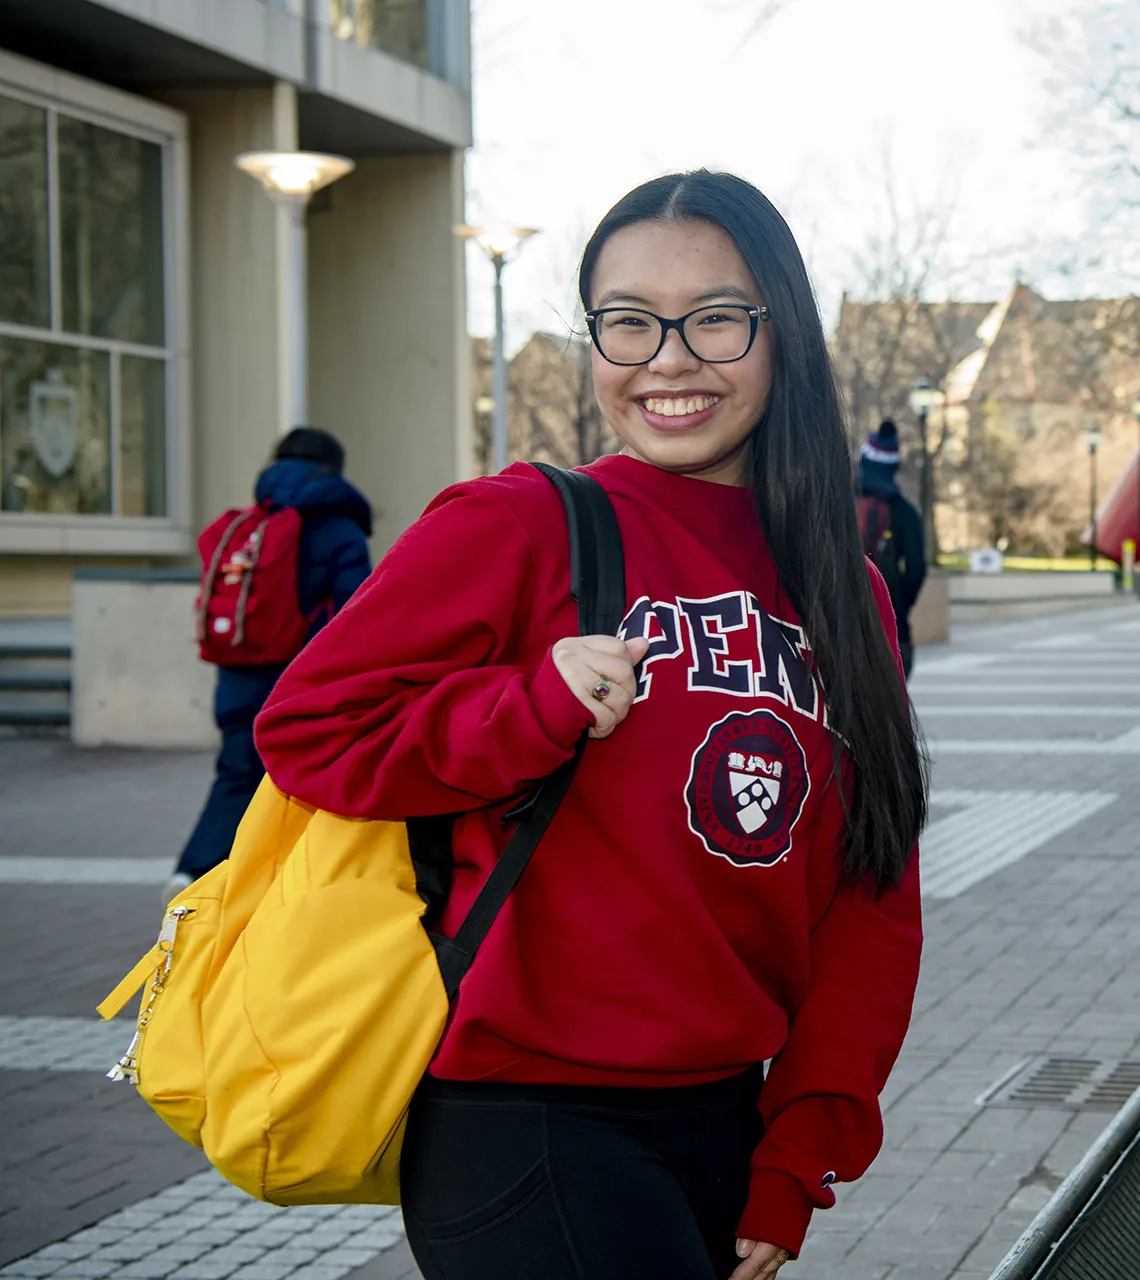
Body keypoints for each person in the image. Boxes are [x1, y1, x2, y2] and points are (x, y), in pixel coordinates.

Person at [254, 171, 926, 1280]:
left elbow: (871, 898)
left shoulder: (844, 592)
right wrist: (528, 711)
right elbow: (311, 730)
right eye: (628, 320)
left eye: (715, 317)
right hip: (526, 1114)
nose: (667, 357)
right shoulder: (519, 522)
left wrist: (805, 1141)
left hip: (725, 1121)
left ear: (784, 336)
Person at [170, 427, 370, 894]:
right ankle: (280, 888)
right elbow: (358, 613)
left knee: (236, 776)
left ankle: (192, 873)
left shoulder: (250, 526)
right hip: (299, 682)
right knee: (300, 785)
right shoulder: (337, 529)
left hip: (236, 678)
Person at [856, 420, 927, 675]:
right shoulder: (905, 513)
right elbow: (917, 568)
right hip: (891, 625)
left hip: (841, 625)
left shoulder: (836, 502)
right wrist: (901, 603)